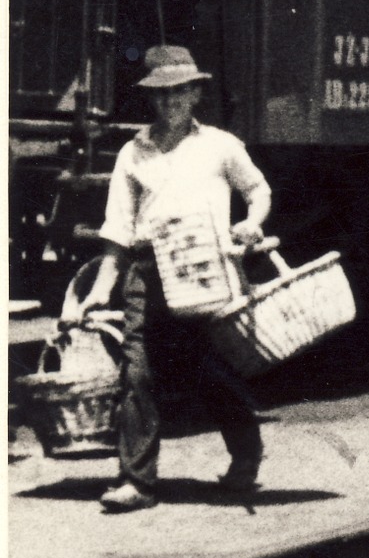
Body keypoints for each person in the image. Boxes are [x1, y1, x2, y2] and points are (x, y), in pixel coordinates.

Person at [76, 46, 270, 512]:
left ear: (195, 93)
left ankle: (247, 450)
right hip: (147, 272)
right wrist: (101, 290)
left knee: (205, 370)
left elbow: (257, 190)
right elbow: (119, 230)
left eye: (179, 92)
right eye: (160, 94)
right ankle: (137, 482)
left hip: (206, 271)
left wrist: (252, 222)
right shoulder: (132, 152)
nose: (170, 103)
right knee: (138, 372)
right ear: (150, 99)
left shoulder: (221, 145)